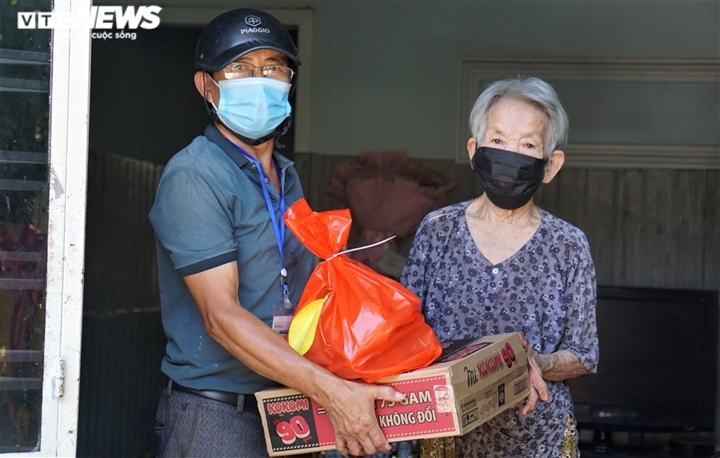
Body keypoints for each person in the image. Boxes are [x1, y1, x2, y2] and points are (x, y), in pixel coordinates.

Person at [149, 9, 405, 457]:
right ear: (206, 85)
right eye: (240, 69)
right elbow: (221, 318)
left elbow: (306, 291)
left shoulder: (284, 176)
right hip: (219, 418)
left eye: (273, 68)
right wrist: (333, 391)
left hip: (289, 404)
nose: (259, 80)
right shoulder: (194, 175)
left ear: (289, 82)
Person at [400, 77, 599, 458]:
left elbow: (584, 353)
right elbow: (404, 332)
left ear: (550, 165)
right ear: (475, 151)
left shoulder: (568, 245)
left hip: (538, 441)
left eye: (527, 145)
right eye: (498, 141)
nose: (511, 155)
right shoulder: (438, 230)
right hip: (446, 441)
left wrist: (535, 361)